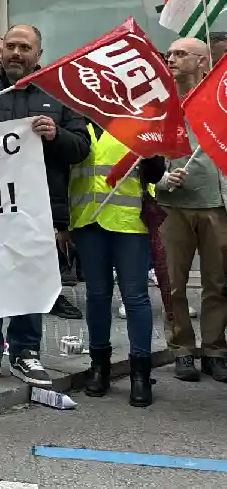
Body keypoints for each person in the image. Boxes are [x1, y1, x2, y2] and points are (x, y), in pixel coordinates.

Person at [0, 25, 91, 386]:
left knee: (29, 280)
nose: (14, 53)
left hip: (36, 207)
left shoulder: (59, 94)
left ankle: (26, 353)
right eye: (9, 46)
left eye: (24, 47)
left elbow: (81, 147)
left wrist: (56, 135)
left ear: (38, 54)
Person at [69, 123, 164, 406]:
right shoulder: (77, 123)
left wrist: (152, 153)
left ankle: (140, 373)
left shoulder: (135, 123)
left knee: (135, 296)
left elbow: (155, 173)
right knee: (97, 295)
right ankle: (99, 366)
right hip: (87, 219)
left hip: (128, 220)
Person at [157, 37, 227, 383]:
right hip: (174, 206)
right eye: (169, 53)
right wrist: (161, 179)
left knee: (218, 283)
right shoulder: (158, 103)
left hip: (216, 204)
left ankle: (215, 349)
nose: (171, 58)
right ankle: (182, 348)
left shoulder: (220, 99)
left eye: (180, 54)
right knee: (174, 284)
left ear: (202, 62)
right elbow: (141, 153)